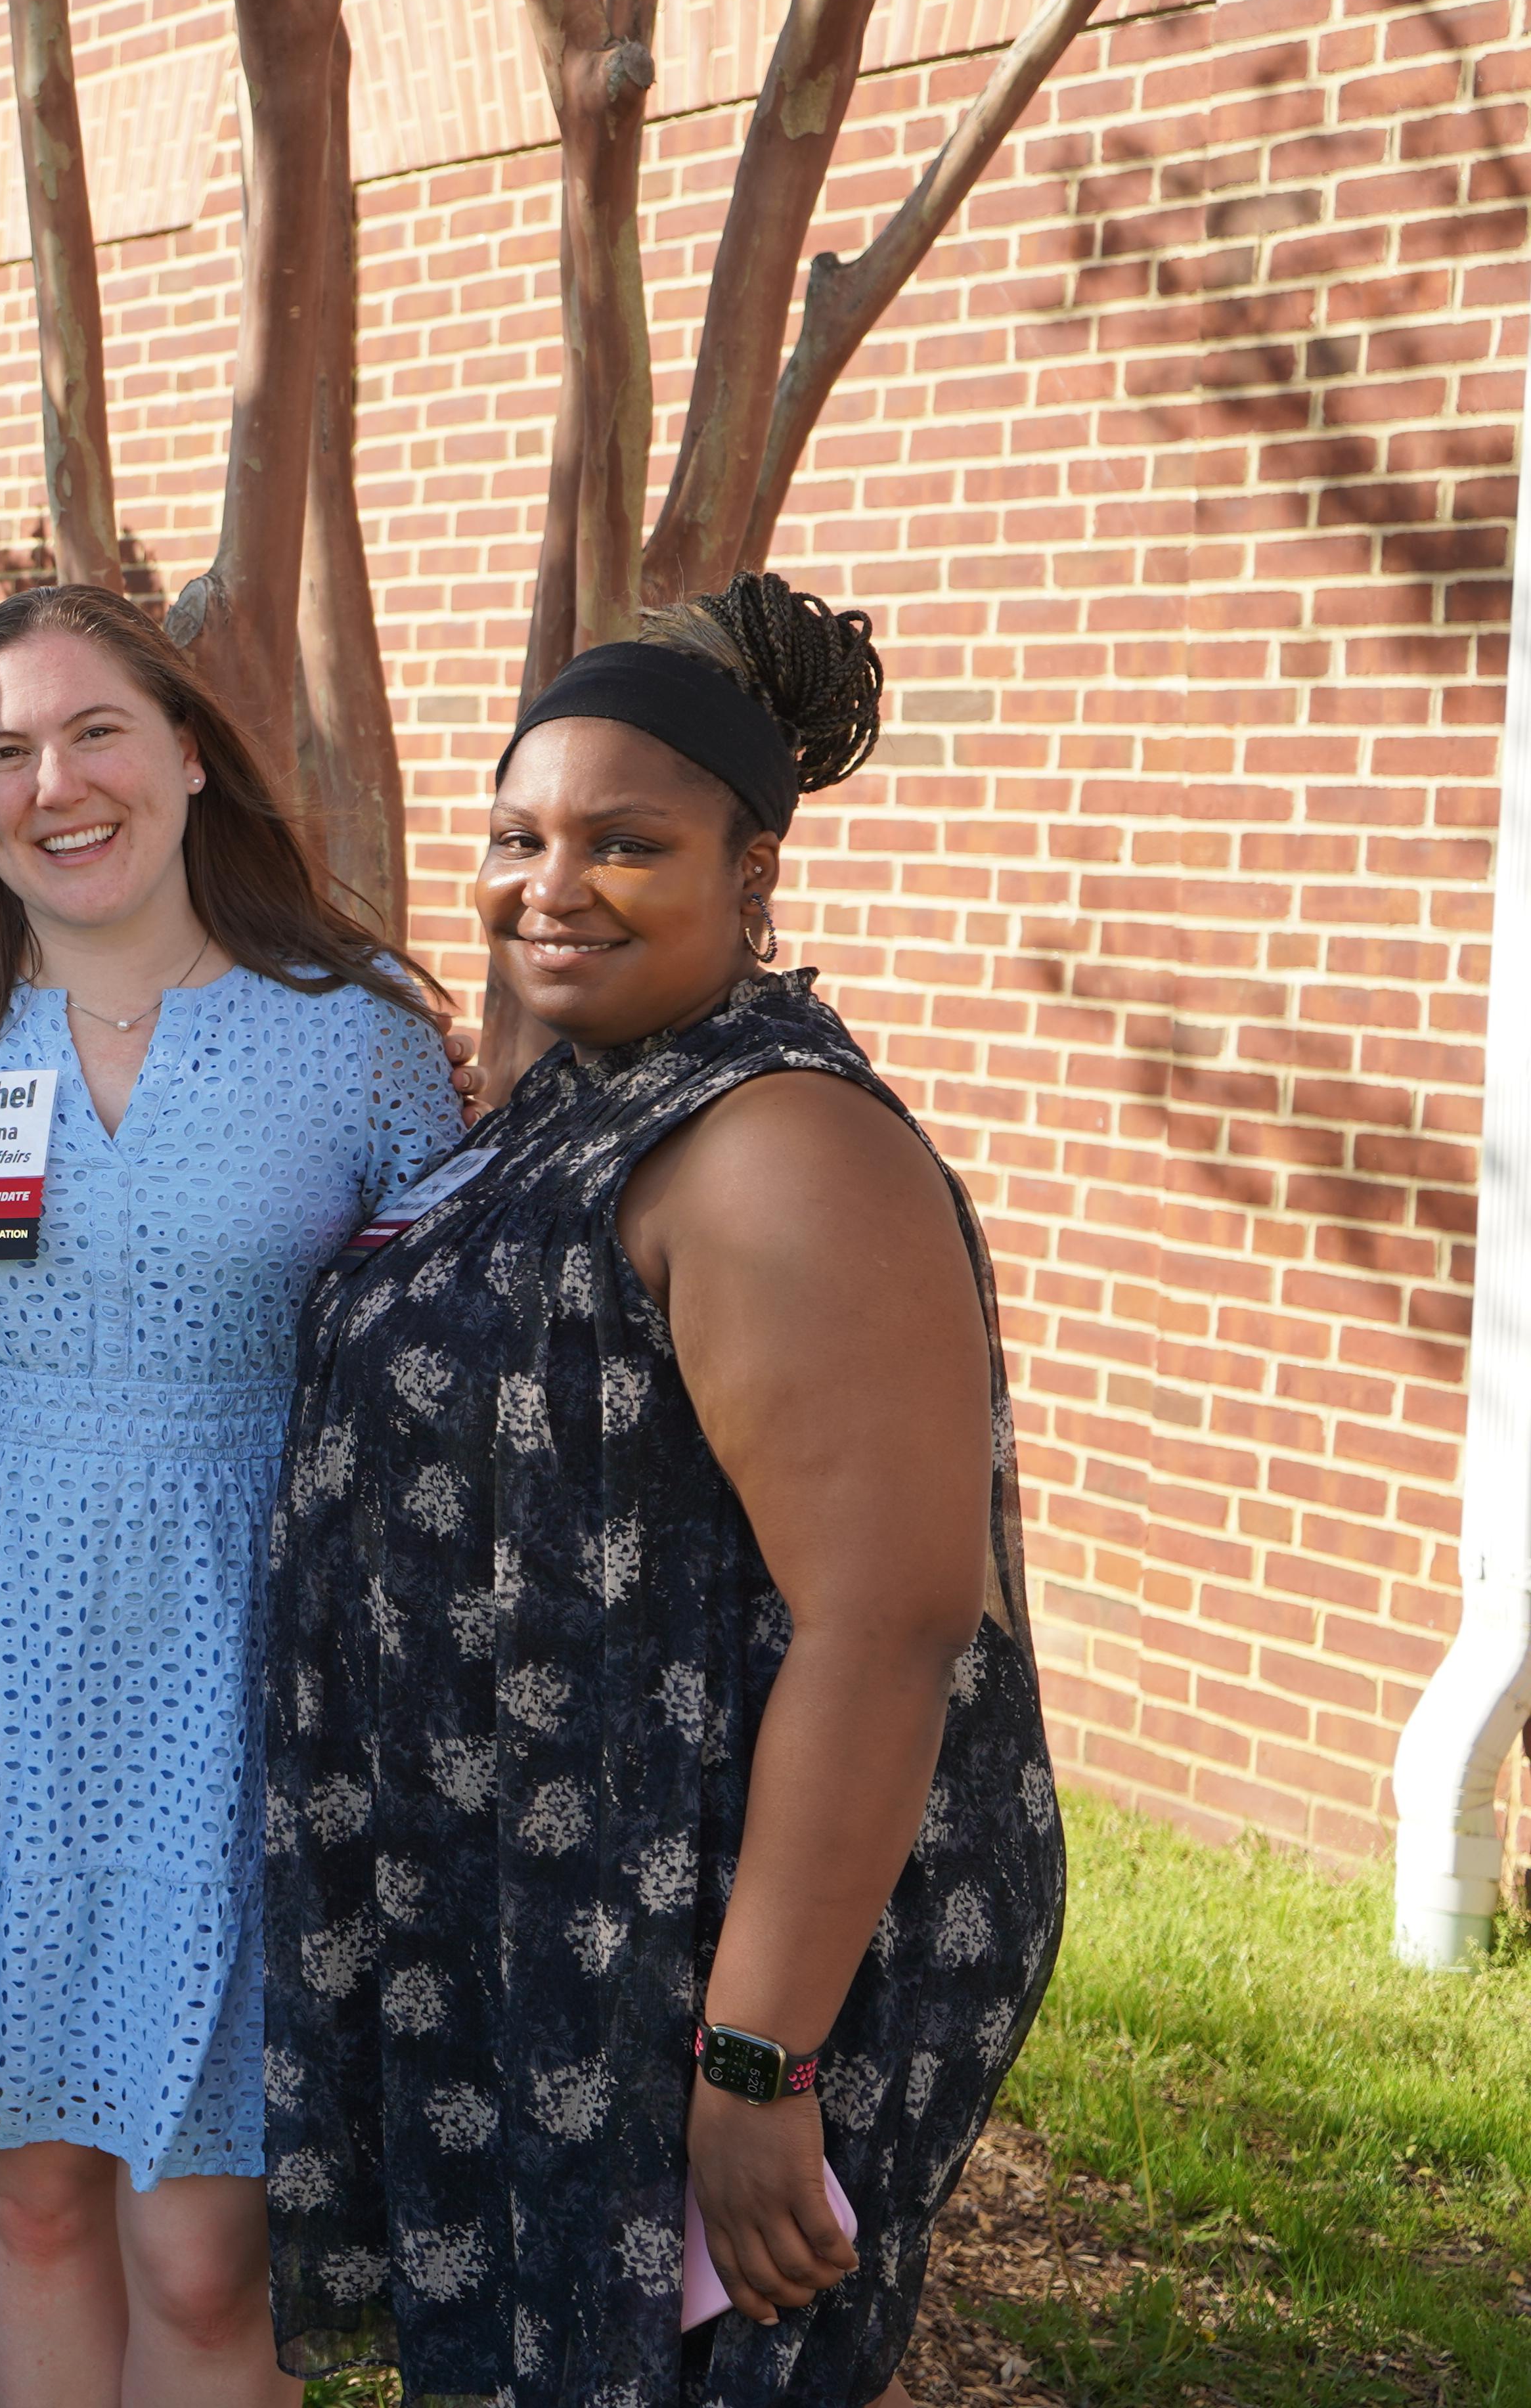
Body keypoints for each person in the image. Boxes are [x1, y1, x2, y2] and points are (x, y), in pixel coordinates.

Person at [261, 577, 1064, 2407]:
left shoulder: (781, 1142)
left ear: (752, 873)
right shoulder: (589, 1097)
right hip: (545, 1914)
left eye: (629, 843)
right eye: (520, 836)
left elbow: (893, 1621)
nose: (554, 883)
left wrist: (762, 2066)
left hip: (707, 1951)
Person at [0, 584, 456, 2407]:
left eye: (96, 730)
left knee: (199, 2246)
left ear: (187, 752)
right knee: (27, 2200)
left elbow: (443, 1349)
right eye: (2, 751)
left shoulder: (360, 1028)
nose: (55, 783)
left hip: (241, 1645)